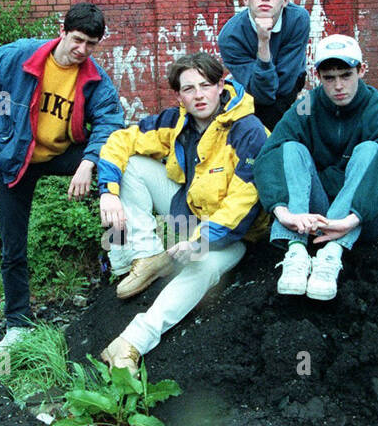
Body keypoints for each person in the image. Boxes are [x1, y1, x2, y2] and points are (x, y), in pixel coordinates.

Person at [0, 2, 124, 353]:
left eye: (91, 44)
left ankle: (124, 262)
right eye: (78, 40)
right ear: (62, 31)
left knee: (121, 167)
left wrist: (88, 163)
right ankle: (18, 323)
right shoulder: (20, 56)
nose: (82, 50)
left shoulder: (94, 77)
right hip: (16, 157)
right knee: (13, 243)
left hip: (61, 154)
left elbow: (112, 123)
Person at [95, 52, 268, 373]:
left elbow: (242, 205)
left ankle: (131, 343)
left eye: (206, 85)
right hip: (189, 214)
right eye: (188, 89)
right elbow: (121, 139)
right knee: (132, 165)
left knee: (203, 266)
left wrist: (198, 242)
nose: (198, 95)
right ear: (179, 95)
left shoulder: (249, 131)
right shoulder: (176, 121)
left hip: (235, 233)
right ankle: (144, 258)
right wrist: (108, 192)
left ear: (221, 85)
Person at [254, 34, 378, 300]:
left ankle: (330, 255)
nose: (339, 85)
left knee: (371, 150)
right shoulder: (306, 106)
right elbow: (270, 155)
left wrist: (349, 221)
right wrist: (283, 213)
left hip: (364, 217)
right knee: (289, 147)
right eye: (329, 77)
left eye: (346, 75)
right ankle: (296, 252)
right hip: (315, 216)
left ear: (361, 71)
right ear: (318, 77)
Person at [217, 0, 312, 130]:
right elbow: (263, 94)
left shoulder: (298, 20)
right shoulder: (230, 37)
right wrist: (263, 42)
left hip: (287, 86)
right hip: (254, 92)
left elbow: (286, 83)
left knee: (281, 119)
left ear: (285, 0)